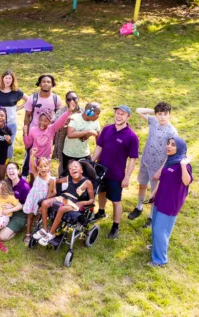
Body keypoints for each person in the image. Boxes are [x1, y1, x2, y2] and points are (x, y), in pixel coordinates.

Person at [92, 105, 139, 239]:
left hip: (116, 175)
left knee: (115, 201)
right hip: (101, 170)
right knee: (100, 192)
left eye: (122, 114)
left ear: (128, 117)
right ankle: (101, 212)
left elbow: (133, 159)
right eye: (117, 113)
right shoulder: (107, 129)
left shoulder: (132, 137)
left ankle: (115, 227)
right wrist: (91, 162)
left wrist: (127, 177)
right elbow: (99, 147)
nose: (119, 116)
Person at [128, 102, 177, 228]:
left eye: (165, 114)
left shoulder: (172, 132)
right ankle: (139, 207)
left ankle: (151, 216)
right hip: (146, 161)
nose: (162, 117)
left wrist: (160, 170)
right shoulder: (154, 121)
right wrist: (154, 111)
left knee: (154, 193)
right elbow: (139, 110)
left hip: (158, 167)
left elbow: (171, 154)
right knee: (142, 185)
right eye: (160, 114)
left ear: (169, 115)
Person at [147, 137, 193, 267]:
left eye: (173, 145)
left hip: (171, 202)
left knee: (160, 229)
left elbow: (186, 181)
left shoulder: (183, 164)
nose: (169, 146)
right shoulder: (169, 161)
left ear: (180, 148)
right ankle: (157, 247)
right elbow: (161, 179)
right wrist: (153, 194)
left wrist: (183, 166)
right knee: (156, 224)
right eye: (168, 143)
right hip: (160, 197)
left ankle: (160, 260)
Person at [34, 161, 94, 246]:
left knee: (62, 208)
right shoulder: (68, 178)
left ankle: (51, 233)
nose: (73, 169)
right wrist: (52, 181)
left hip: (75, 202)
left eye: (75, 167)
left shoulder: (87, 182)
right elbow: (56, 181)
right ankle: (44, 229)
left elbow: (92, 200)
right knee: (44, 203)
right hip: (63, 197)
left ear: (81, 170)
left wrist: (83, 202)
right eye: (70, 168)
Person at [22, 75, 62, 177]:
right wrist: (26, 132)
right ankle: (26, 175)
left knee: (46, 157)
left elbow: (58, 116)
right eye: (43, 81)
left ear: (52, 84)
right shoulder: (32, 98)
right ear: (39, 84)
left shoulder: (56, 99)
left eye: (48, 82)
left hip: (48, 133)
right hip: (33, 134)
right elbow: (27, 116)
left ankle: (44, 179)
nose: (46, 83)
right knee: (30, 156)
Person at [23, 103, 74, 173]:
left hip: (46, 159)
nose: (42, 122)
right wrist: (25, 134)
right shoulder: (33, 130)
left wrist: (69, 111)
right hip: (34, 158)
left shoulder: (52, 129)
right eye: (40, 120)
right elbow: (28, 145)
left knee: (45, 178)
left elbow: (60, 121)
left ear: (49, 122)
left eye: (45, 121)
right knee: (34, 177)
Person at [0, 69, 29, 159]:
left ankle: (8, 163)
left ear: (13, 80)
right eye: (6, 78)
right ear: (2, 79)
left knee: (9, 145)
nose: (8, 80)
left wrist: (18, 108)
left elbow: (29, 100)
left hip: (11, 123)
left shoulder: (16, 91)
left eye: (10, 78)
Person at [22, 151, 56, 245]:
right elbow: (31, 164)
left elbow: (50, 194)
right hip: (32, 199)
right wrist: (32, 155)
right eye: (40, 167)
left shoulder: (51, 180)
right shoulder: (36, 175)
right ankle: (28, 234)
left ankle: (36, 232)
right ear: (38, 168)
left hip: (40, 201)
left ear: (49, 167)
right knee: (30, 216)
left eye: (45, 166)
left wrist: (43, 204)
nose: (43, 168)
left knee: (38, 217)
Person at [61, 102, 101, 173]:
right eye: (97, 114)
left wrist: (98, 158)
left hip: (84, 154)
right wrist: (88, 131)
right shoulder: (75, 117)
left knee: (85, 178)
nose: (98, 116)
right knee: (68, 177)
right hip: (69, 154)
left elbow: (99, 141)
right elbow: (70, 134)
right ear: (89, 113)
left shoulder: (96, 121)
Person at [0, 162, 31, 242]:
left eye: (13, 168)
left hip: (20, 213)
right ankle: (8, 227)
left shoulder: (25, 187)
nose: (10, 170)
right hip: (7, 209)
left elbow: (28, 207)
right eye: (8, 169)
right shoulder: (6, 182)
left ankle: (17, 229)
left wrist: (13, 207)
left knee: (1, 237)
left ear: (18, 171)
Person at [53, 91, 83, 176]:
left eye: (74, 98)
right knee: (63, 164)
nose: (72, 101)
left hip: (78, 143)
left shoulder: (84, 111)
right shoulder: (61, 111)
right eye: (69, 99)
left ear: (78, 99)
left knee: (79, 164)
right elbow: (56, 126)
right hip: (63, 141)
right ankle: (62, 183)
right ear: (66, 101)